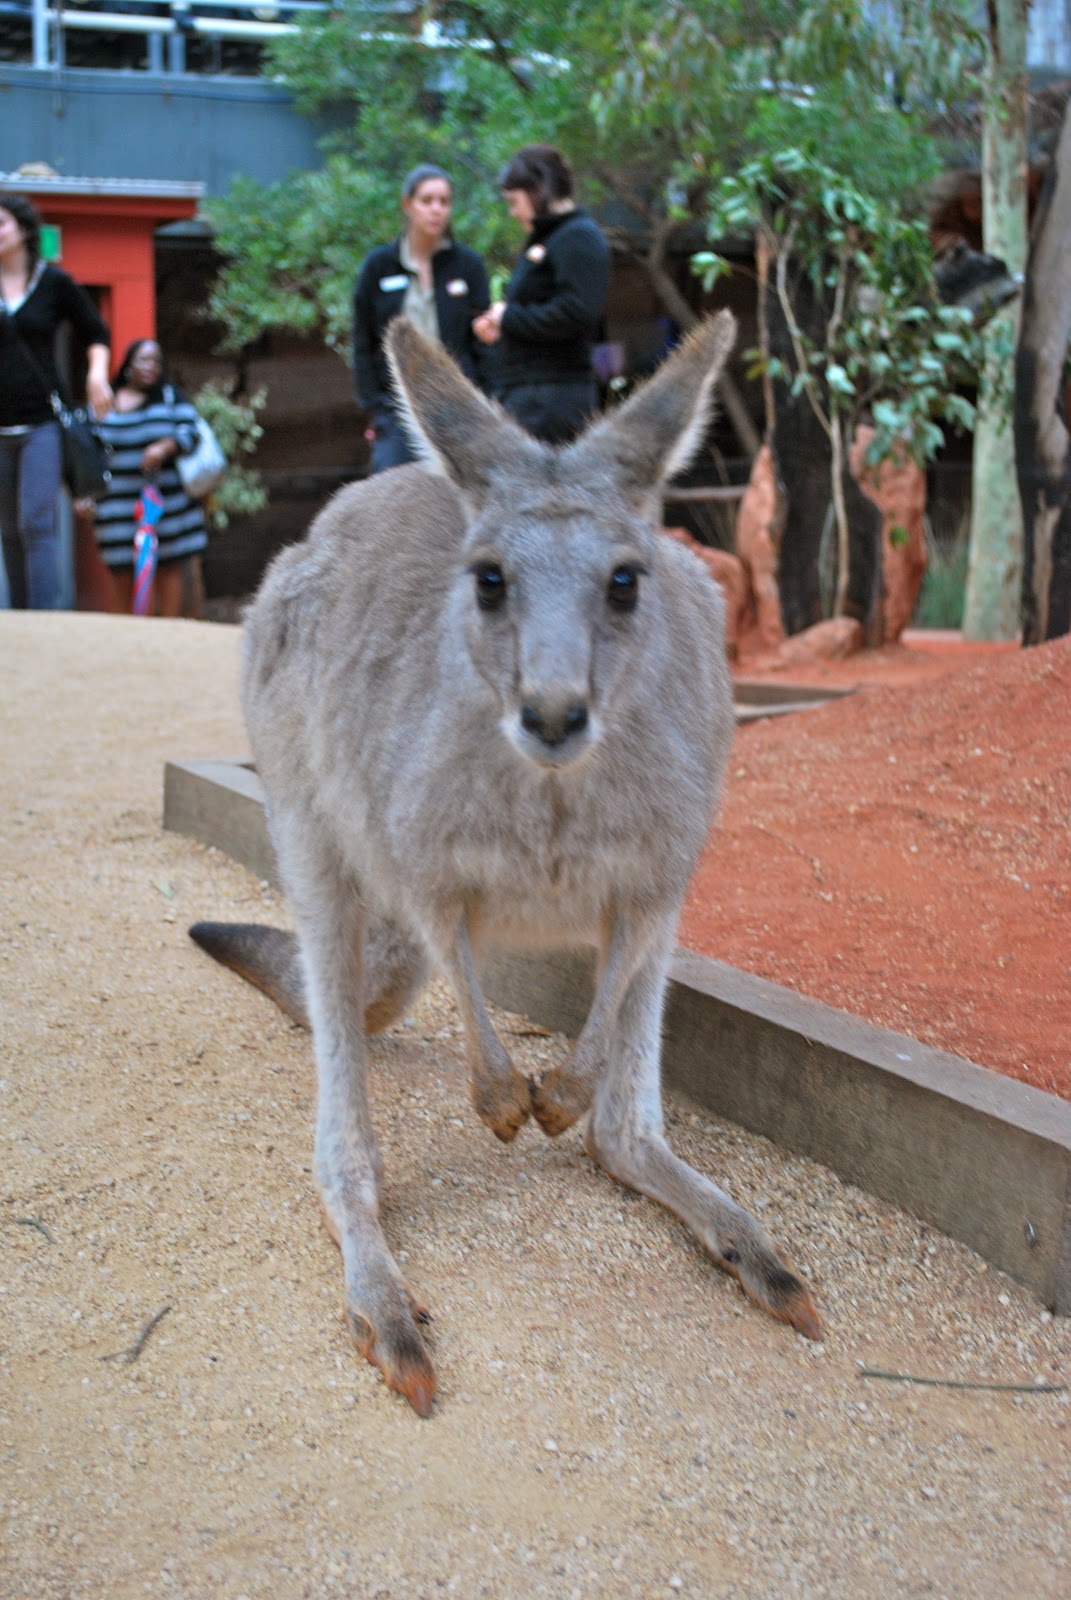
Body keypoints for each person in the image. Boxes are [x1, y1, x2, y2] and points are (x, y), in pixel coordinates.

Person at [0, 192, 112, 609]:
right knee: (8, 528)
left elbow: (95, 332)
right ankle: (18, 618)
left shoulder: (54, 283)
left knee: (36, 522)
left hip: (43, 423)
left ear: (24, 229)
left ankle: (44, 618)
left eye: (1, 223)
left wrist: (97, 373)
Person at [352, 164, 491, 473]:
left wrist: (486, 398)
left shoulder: (467, 265)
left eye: (444, 201)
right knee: (393, 492)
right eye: (427, 200)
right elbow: (362, 343)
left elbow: (483, 344)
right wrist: (374, 409)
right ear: (408, 204)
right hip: (397, 408)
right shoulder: (379, 267)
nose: (436, 210)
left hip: (460, 406)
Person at [472, 145, 611, 445]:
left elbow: (578, 312)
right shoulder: (547, 238)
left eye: (514, 201)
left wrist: (509, 316)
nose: (512, 212)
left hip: (552, 400)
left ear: (538, 190)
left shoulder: (578, 236)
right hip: (528, 396)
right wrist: (501, 322)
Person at [93, 339, 208, 617]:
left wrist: (165, 446)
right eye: (144, 360)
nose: (151, 367)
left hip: (165, 505)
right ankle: (123, 640)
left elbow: (192, 433)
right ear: (128, 365)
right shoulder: (106, 401)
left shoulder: (170, 397)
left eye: (156, 361)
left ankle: (166, 637)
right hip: (117, 507)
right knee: (120, 570)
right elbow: (89, 450)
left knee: (170, 566)